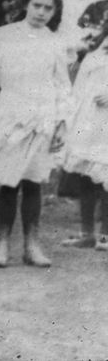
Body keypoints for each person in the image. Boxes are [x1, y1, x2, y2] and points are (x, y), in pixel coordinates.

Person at [0, 0, 72, 268]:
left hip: (42, 113)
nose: (42, 12)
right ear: (26, 5)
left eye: (48, 8)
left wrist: (61, 123)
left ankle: (32, 245)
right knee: (8, 182)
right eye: (37, 6)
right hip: (10, 110)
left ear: (54, 12)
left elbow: (62, 85)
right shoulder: (3, 35)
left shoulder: (56, 43)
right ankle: (2, 244)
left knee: (33, 182)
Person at [59, 16, 108, 251]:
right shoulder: (96, 50)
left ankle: (106, 235)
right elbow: (79, 87)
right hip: (89, 120)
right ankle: (87, 233)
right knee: (87, 174)